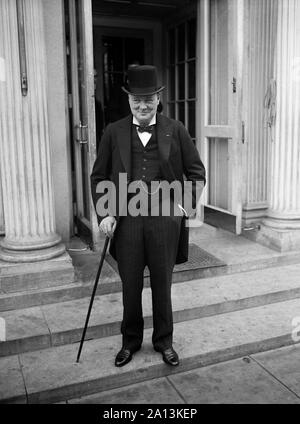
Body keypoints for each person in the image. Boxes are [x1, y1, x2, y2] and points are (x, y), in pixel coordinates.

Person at [91, 65, 206, 367]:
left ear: (158, 98)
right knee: (130, 285)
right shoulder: (113, 131)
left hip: (164, 218)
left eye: (148, 100)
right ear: (128, 101)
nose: (142, 106)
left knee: (161, 284)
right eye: (136, 101)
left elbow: (196, 172)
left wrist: (181, 208)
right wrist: (104, 212)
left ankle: (164, 341)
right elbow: (99, 175)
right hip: (126, 220)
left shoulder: (175, 129)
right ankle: (130, 342)